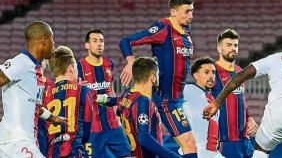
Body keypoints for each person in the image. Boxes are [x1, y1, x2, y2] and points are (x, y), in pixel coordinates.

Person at [119, 0, 197, 157]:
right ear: (173, 12)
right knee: (188, 143)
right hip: (165, 100)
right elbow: (126, 41)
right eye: (187, 11)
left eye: (192, 11)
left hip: (177, 99)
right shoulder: (163, 29)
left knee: (178, 145)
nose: (191, 15)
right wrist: (130, 59)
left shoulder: (185, 31)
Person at [0, 21, 66, 158]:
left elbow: (33, 104)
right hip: (17, 142)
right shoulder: (22, 62)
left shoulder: (33, 68)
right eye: (51, 39)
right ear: (44, 40)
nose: (54, 44)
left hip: (13, 141)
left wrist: (52, 117)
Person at [97, 56, 181, 158]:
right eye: (158, 74)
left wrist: (101, 98)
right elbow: (144, 138)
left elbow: (113, 101)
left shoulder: (127, 94)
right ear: (153, 78)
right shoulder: (143, 102)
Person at [77, 29, 131, 158]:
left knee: (128, 155)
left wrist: (116, 113)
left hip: (113, 125)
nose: (99, 44)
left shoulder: (109, 64)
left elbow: (110, 88)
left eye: (101, 41)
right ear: (87, 45)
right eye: (94, 41)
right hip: (92, 129)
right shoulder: (79, 67)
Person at [38, 46, 94, 157]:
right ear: (71, 67)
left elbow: (41, 135)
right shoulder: (83, 91)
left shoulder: (43, 95)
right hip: (75, 152)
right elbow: (87, 131)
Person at [213, 29, 257, 158]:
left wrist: (249, 118)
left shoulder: (239, 71)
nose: (233, 48)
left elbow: (240, 100)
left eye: (235, 45)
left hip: (244, 139)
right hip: (224, 141)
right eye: (229, 45)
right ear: (219, 49)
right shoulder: (211, 71)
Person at [183, 57, 222, 158]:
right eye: (206, 72)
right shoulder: (189, 89)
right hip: (197, 153)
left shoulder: (212, 99)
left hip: (212, 154)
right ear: (195, 75)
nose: (211, 76)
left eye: (213, 72)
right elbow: (167, 95)